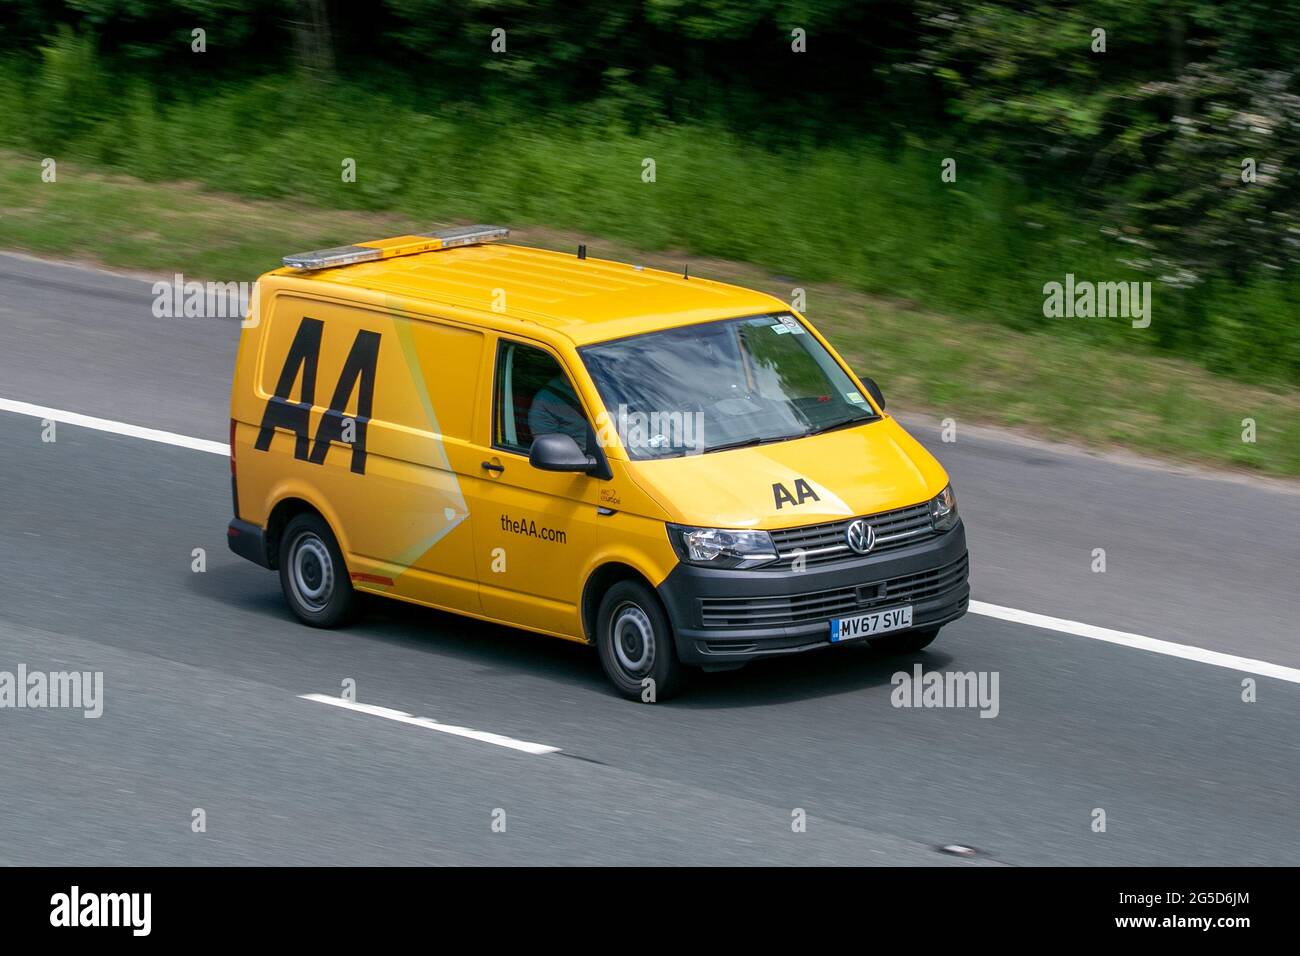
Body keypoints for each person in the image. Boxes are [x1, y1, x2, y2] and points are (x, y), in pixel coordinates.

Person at [528, 374, 589, 452]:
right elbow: (548, 451)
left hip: (606, 451)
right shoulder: (545, 400)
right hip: (581, 459)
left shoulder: (602, 388)